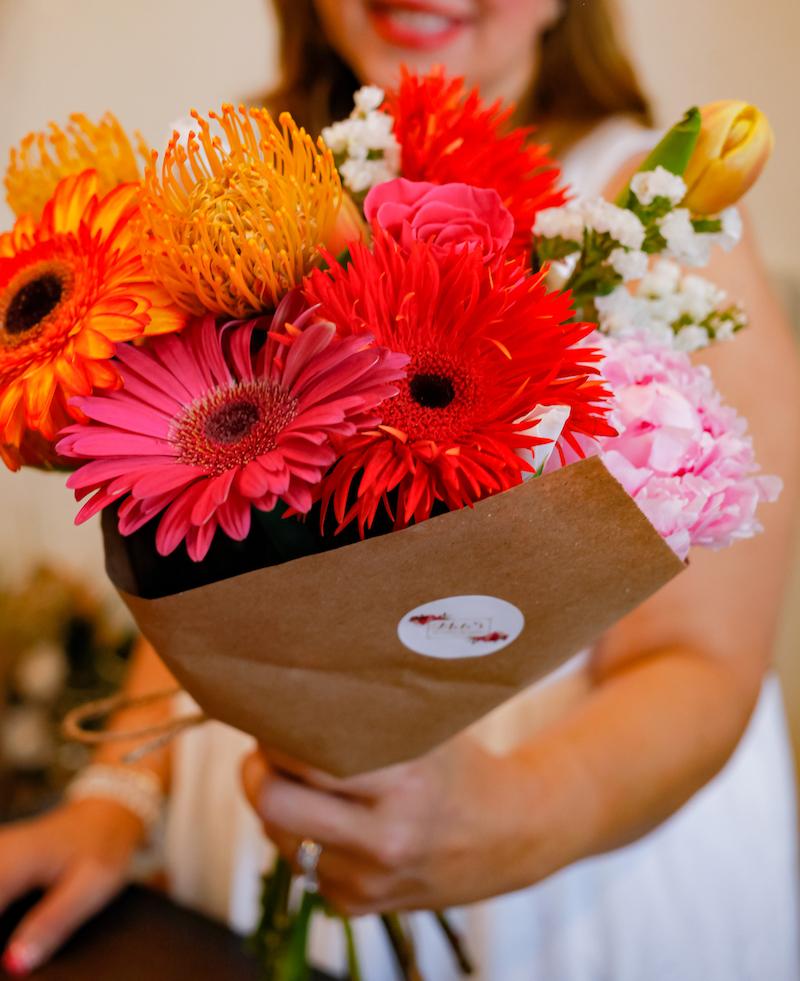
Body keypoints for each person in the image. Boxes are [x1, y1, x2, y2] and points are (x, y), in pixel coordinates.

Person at [2, 1, 799, 978]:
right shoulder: (242, 190)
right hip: (255, 827)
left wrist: (516, 818)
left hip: (561, 878)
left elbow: (702, 661)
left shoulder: (659, 222)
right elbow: (202, 567)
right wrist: (113, 800)